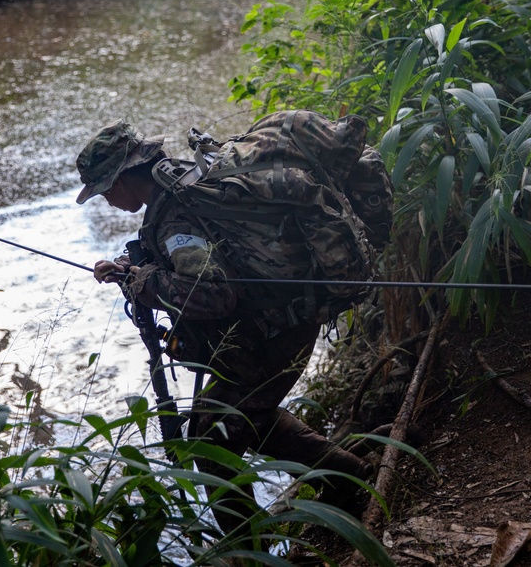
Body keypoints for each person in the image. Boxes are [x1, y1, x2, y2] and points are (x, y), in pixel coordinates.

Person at [75, 119, 372, 535]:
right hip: (285, 318)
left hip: (275, 331)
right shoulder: (183, 181)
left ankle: (248, 551)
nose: (107, 200)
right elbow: (208, 256)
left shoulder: (175, 213)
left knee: (210, 441)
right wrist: (134, 269)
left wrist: (142, 283)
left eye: (106, 189)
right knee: (246, 418)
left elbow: (212, 293)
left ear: (124, 178)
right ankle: (350, 481)